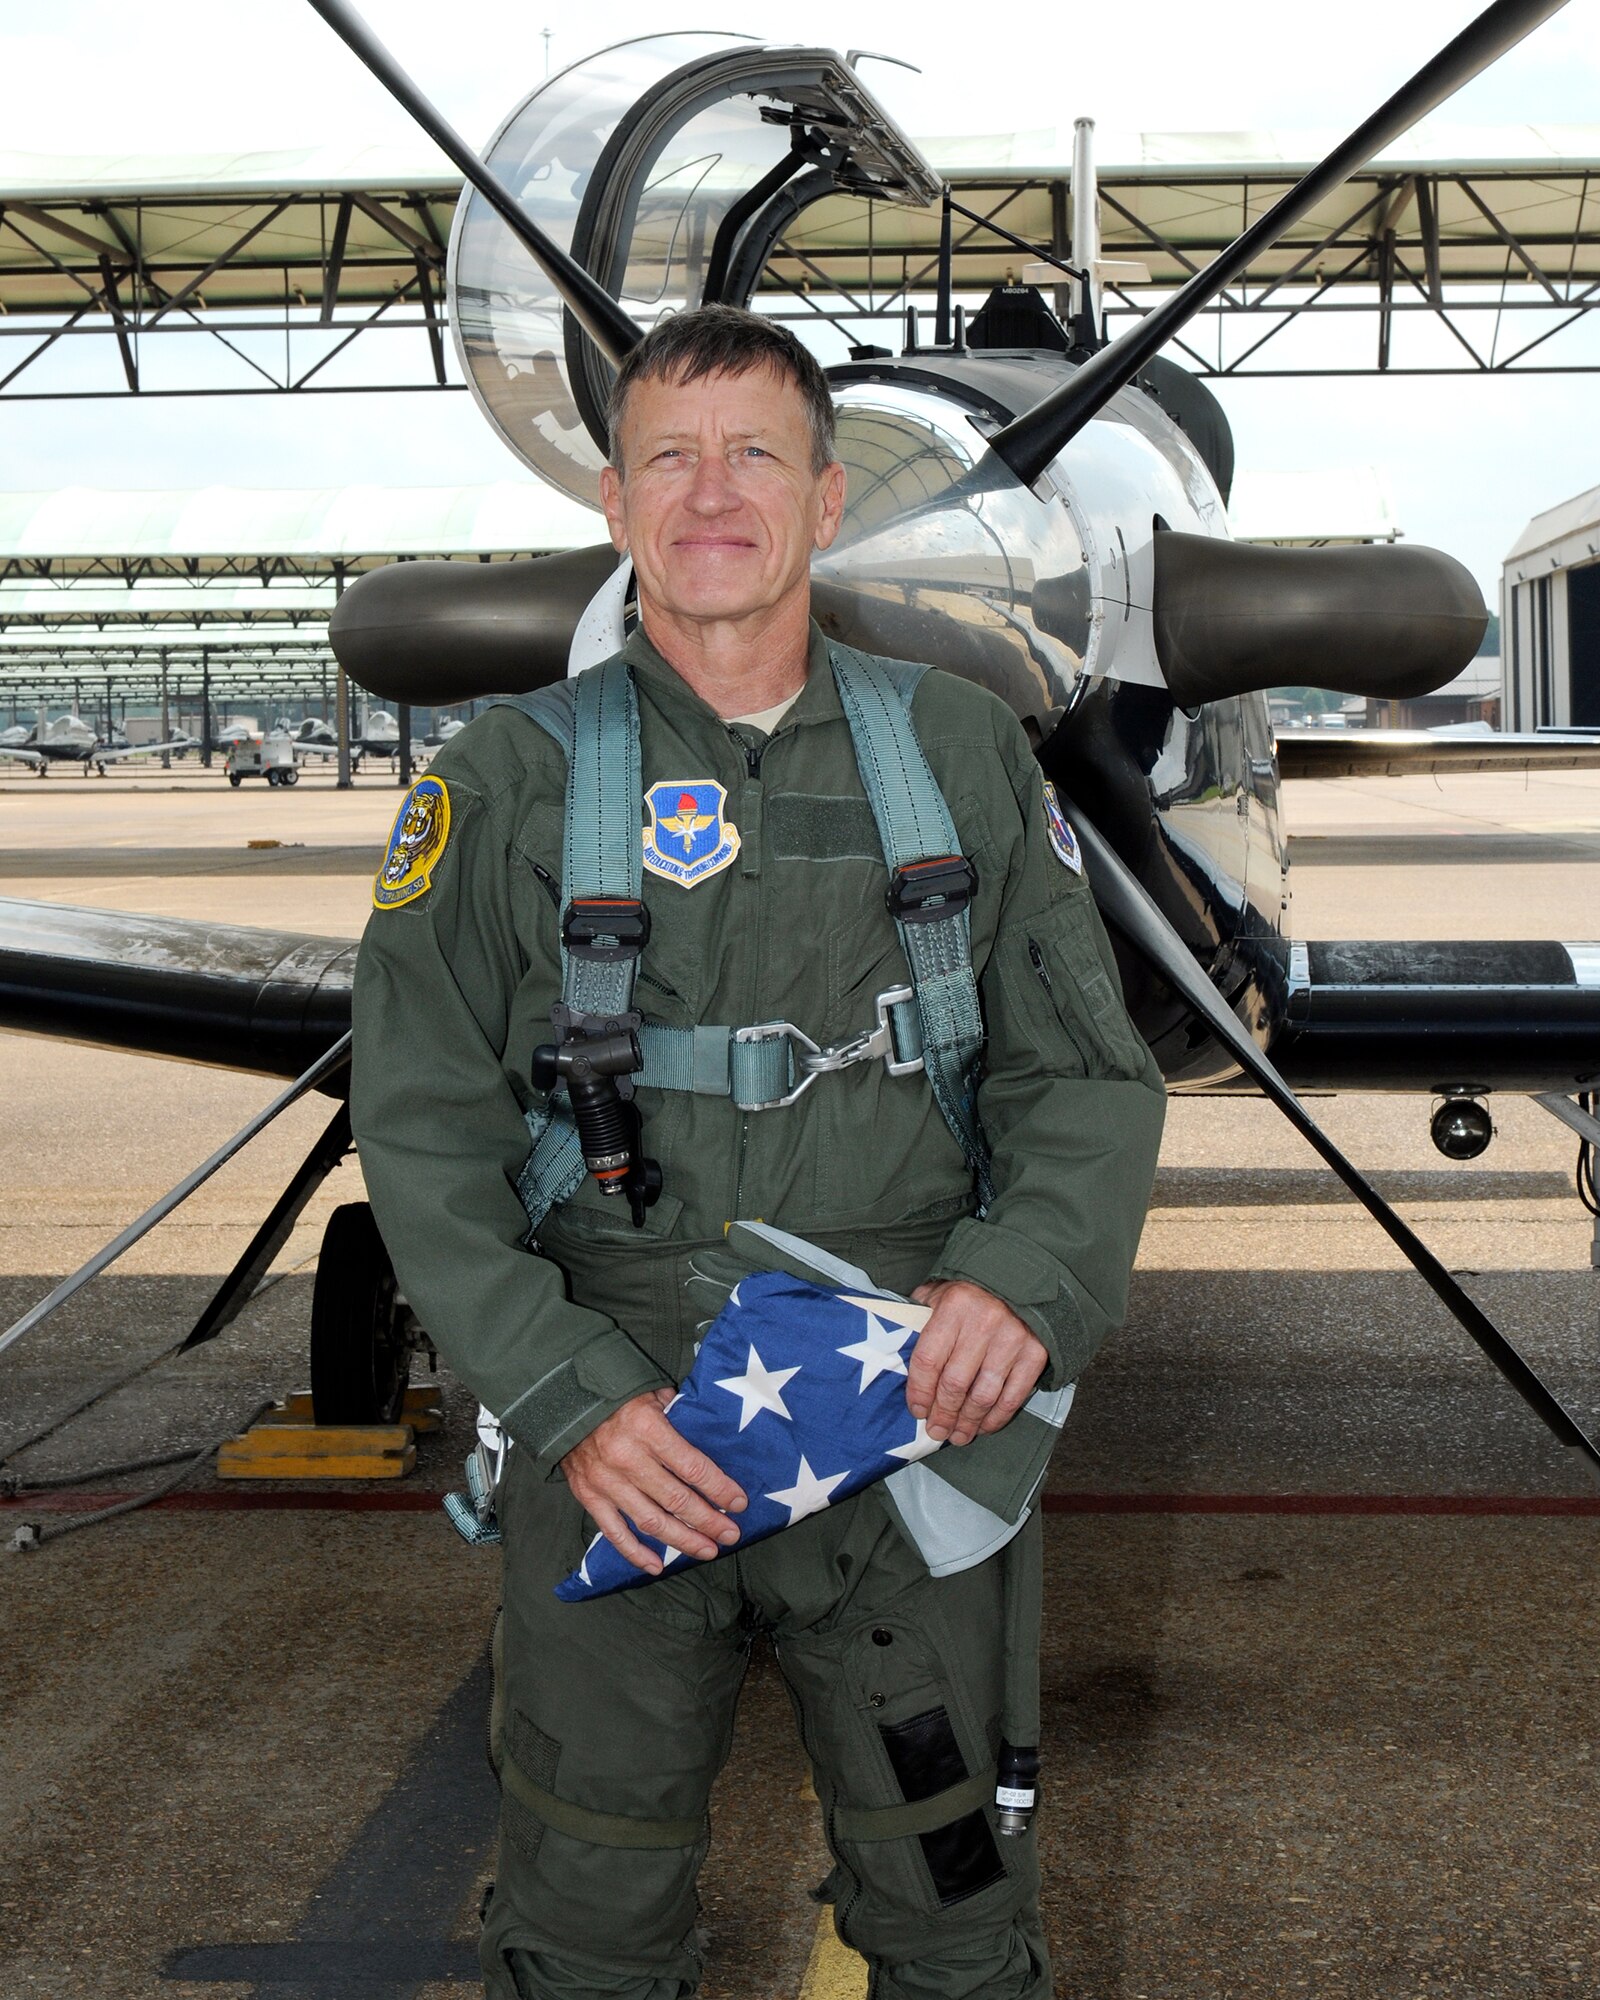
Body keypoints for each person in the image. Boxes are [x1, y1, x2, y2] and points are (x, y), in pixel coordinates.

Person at [351, 304, 1166, 2000]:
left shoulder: (956, 755)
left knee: (954, 1898)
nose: (709, 492)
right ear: (612, 496)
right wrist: (571, 1400)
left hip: (900, 1400)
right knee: (586, 1914)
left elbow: (1084, 1077)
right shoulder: (500, 783)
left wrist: (1020, 1283)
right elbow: (420, 1136)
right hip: (621, 1423)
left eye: (753, 455)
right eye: (669, 453)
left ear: (820, 496)